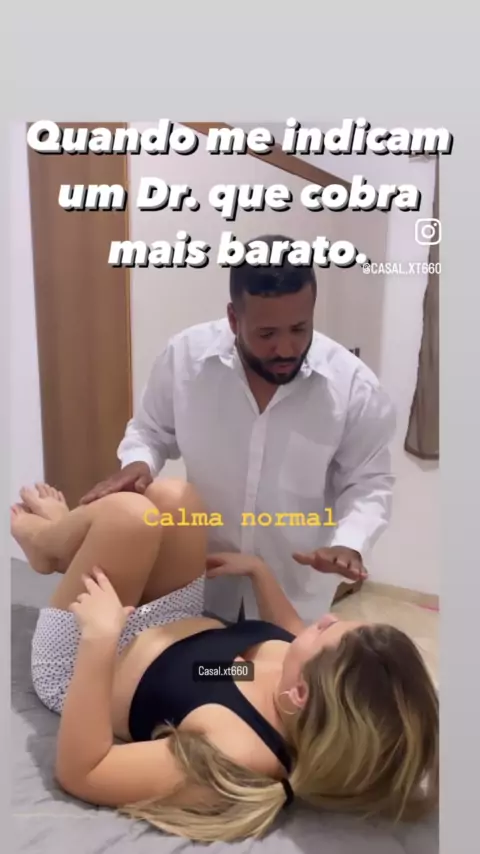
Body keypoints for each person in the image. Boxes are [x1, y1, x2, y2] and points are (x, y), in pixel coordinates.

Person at [11, 481, 438, 844]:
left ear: (300, 693)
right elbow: (287, 634)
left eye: (327, 630)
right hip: (175, 633)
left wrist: (101, 638)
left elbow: (84, 772)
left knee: (129, 516)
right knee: (177, 499)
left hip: (85, 663)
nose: (325, 619)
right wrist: (259, 573)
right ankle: (67, 536)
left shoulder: (237, 751)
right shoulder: (295, 689)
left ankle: (47, 542)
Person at [79, 234, 397, 624]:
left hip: (292, 593)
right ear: (234, 319)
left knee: (277, 667)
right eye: (267, 334)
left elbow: (368, 482)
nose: (286, 349)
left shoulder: (352, 388)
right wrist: (139, 462)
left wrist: (350, 543)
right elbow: (150, 430)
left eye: (300, 329)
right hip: (202, 580)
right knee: (204, 667)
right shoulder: (185, 359)